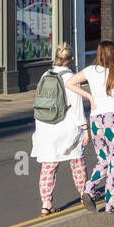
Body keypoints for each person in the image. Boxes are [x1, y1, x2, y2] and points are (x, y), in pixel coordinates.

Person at [63, 41, 114, 213]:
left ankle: (89, 188)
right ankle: (111, 204)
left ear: (99, 55)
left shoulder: (90, 71)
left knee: (103, 159)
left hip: (97, 120)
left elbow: (69, 83)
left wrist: (89, 97)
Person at [30, 43, 89, 216]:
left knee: (49, 166)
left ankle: (46, 204)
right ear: (71, 60)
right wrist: (85, 128)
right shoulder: (72, 77)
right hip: (66, 125)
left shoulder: (45, 75)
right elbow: (77, 106)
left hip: (45, 127)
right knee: (77, 161)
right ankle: (83, 194)